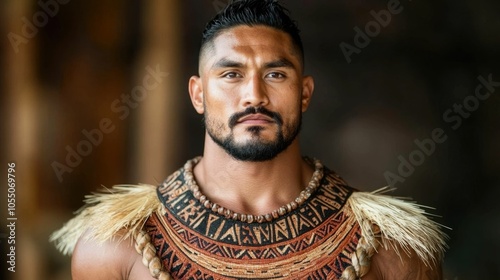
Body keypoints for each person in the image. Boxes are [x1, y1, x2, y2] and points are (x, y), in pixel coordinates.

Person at [51, 0, 447, 279]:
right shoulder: (113, 247)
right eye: (231, 74)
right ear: (198, 95)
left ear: (305, 93)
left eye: (276, 74)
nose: (254, 94)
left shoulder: (393, 251)